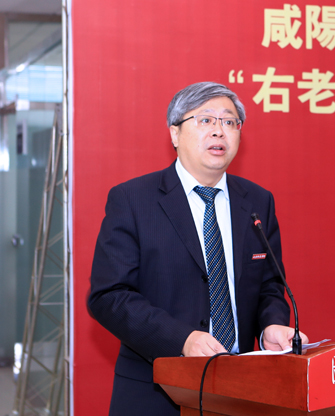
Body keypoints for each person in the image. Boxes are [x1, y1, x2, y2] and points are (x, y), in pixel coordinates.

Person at [87, 82, 307, 415]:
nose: (219, 131)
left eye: (229, 122)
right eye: (206, 120)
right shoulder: (133, 200)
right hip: (157, 392)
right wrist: (182, 339)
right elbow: (109, 296)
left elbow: (269, 286)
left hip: (241, 390)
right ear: (174, 133)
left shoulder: (257, 201)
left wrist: (270, 326)